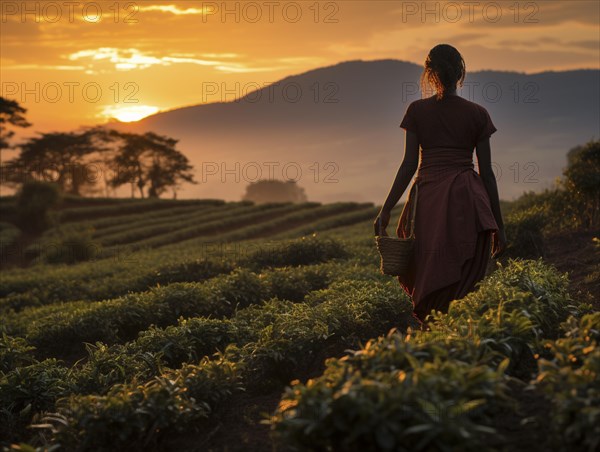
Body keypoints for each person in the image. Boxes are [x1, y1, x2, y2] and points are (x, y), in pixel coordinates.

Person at [374, 44, 507, 328]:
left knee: (430, 272)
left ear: (430, 73)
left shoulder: (417, 110)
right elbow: (487, 175)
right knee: (463, 285)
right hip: (467, 202)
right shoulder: (478, 114)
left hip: (428, 205)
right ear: (460, 72)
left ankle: (433, 342)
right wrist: (499, 226)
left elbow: (409, 165)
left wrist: (386, 210)